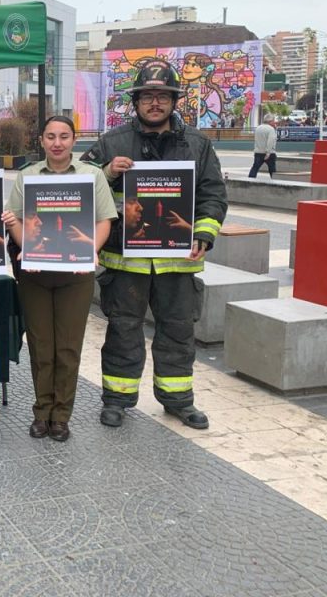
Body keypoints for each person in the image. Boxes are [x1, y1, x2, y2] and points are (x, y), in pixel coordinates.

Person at [82, 59, 227, 430]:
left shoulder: (196, 145)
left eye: (163, 96)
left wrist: (204, 232)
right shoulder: (111, 143)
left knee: (178, 332)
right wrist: (108, 172)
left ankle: (178, 400)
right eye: (148, 96)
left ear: (175, 100)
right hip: (126, 262)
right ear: (136, 101)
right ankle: (116, 399)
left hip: (178, 262)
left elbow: (212, 194)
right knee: (122, 332)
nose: (155, 103)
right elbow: (80, 185)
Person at [5, 116, 116, 442]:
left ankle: (61, 416)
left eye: (64, 136)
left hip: (76, 274)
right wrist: (27, 246)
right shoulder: (27, 176)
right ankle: (42, 411)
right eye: (51, 136)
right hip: (36, 275)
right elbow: (16, 221)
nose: (57, 142)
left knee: (67, 348)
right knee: (41, 347)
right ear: (41, 140)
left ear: (74, 139)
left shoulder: (92, 176)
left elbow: (104, 220)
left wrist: (91, 250)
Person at [249, 114, 278, 179]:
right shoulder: (271, 129)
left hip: (258, 151)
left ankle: (250, 180)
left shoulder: (258, 128)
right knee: (272, 169)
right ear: (270, 121)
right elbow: (270, 141)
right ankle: (275, 181)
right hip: (269, 153)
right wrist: (268, 152)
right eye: (273, 121)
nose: (274, 122)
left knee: (255, 167)